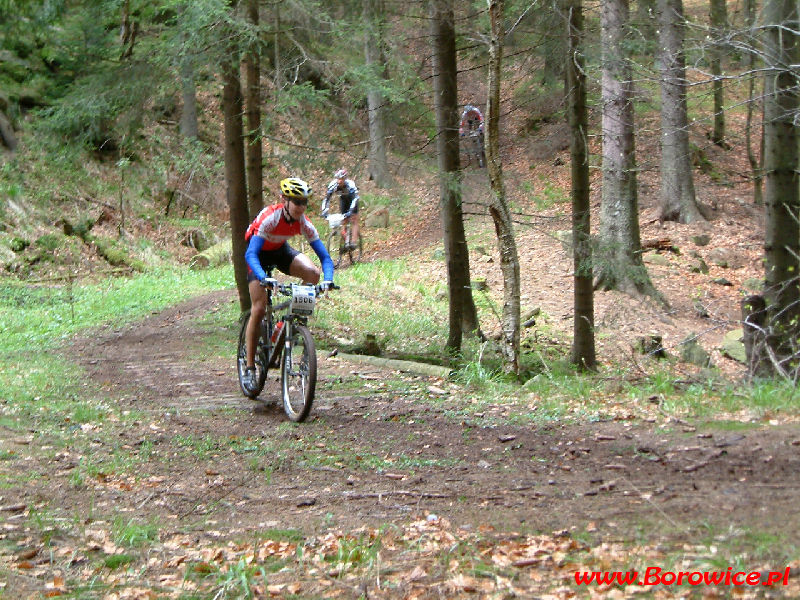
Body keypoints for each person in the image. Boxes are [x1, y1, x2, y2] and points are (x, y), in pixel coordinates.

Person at [241, 176, 334, 394]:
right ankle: (249, 366)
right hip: (258, 256)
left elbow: (325, 257)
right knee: (259, 307)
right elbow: (251, 253)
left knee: (313, 274)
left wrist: (328, 279)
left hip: (280, 250)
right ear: (284, 200)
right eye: (297, 202)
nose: (301, 207)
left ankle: (287, 322)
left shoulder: (303, 222)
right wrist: (263, 277)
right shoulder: (269, 218)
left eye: (304, 202)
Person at [321, 168, 360, 250]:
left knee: (354, 219)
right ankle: (345, 242)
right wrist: (324, 210)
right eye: (338, 179)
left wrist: (351, 211)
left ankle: (353, 242)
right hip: (343, 200)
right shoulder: (333, 185)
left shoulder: (350, 184)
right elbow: (327, 199)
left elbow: (355, 198)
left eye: (341, 179)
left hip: (353, 200)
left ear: (345, 179)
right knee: (343, 220)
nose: (339, 181)